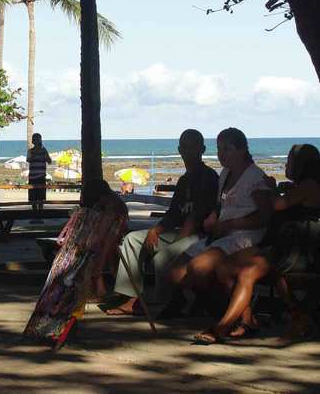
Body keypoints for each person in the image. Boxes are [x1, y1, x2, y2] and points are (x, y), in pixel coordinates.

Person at [194, 144, 320, 344]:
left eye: (289, 162)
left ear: (301, 165)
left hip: (297, 252)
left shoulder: (309, 186)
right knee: (224, 267)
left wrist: (269, 188)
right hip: (281, 247)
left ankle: (223, 327)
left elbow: (278, 205)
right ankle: (248, 320)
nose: (286, 165)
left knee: (247, 273)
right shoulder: (300, 187)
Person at [106, 129, 219, 316]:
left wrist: (174, 244)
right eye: (183, 146)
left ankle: (163, 302)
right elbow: (173, 214)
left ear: (202, 149)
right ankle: (133, 297)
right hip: (179, 231)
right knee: (132, 240)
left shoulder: (208, 177)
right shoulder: (184, 180)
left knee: (163, 258)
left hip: (199, 236)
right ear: (179, 149)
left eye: (192, 146)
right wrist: (155, 230)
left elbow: (197, 217)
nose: (187, 150)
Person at [167, 128, 273, 316]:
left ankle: (228, 309)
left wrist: (231, 224)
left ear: (242, 150)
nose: (221, 154)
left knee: (197, 267)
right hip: (222, 234)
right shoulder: (224, 174)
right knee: (175, 272)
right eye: (219, 149)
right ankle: (211, 302)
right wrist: (213, 218)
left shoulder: (254, 177)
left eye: (227, 149)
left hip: (246, 236)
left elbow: (265, 218)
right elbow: (220, 206)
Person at [27, 133, 52, 211]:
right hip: (32, 177)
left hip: (41, 176)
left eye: (38, 139)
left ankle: (40, 213)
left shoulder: (44, 150)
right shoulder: (30, 151)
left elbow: (49, 161)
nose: (36, 141)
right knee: (33, 198)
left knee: (41, 198)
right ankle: (34, 214)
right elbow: (28, 159)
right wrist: (37, 154)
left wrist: (44, 153)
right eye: (35, 139)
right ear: (33, 141)